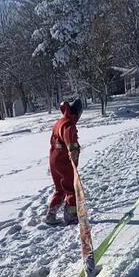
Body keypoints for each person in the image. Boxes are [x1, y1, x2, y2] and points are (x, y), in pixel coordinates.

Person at [45, 97, 82, 226]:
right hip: (64, 161)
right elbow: (68, 139)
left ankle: (51, 214)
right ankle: (71, 215)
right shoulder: (68, 124)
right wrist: (73, 152)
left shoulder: (60, 121)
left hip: (53, 159)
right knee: (71, 188)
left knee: (59, 189)